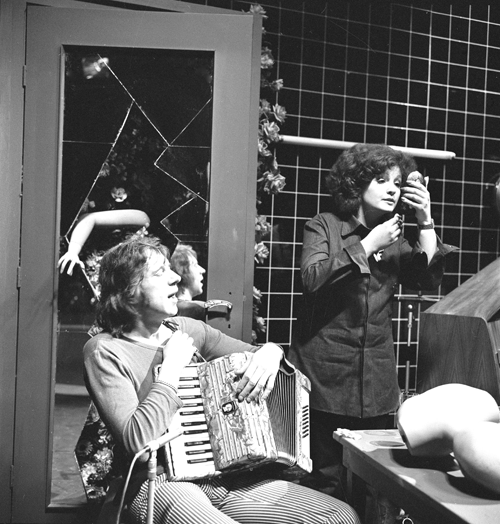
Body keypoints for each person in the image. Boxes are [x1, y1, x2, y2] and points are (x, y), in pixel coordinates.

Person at [83, 235, 361, 524]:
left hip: (227, 476)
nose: (175, 277)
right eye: (160, 272)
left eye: (171, 269)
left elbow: (258, 356)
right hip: (161, 483)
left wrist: (271, 351)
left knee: (340, 516)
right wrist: (170, 371)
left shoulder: (189, 329)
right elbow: (139, 445)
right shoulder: (104, 351)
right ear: (128, 291)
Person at [287, 144, 456, 507]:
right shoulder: (324, 225)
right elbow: (312, 278)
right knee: (325, 481)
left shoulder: (395, 238)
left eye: (397, 182)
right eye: (381, 180)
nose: (392, 188)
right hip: (324, 381)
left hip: (375, 385)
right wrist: (366, 245)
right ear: (356, 184)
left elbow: (428, 278)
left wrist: (425, 220)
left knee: (373, 484)